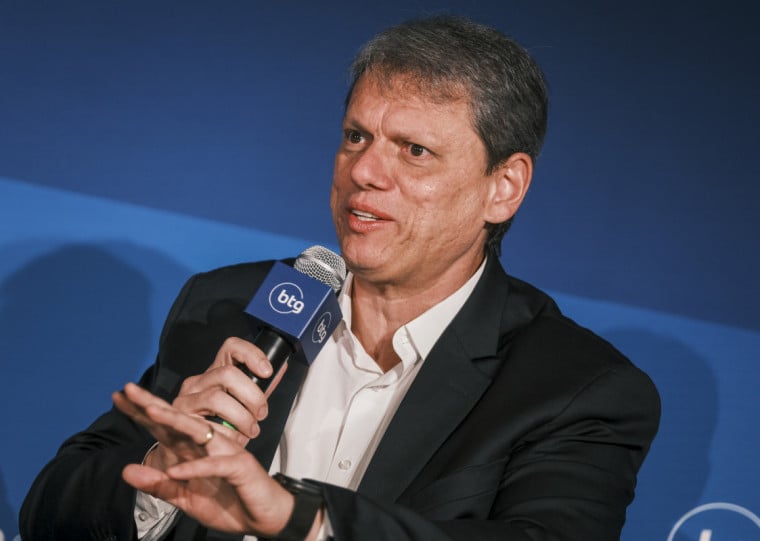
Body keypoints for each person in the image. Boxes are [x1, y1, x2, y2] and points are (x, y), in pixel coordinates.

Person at [20, 15, 660, 541]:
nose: (364, 172)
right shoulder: (230, 305)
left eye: (414, 150)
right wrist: (161, 468)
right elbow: (49, 513)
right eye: (356, 136)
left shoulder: (575, 388)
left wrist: (302, 519)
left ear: (504, 187)